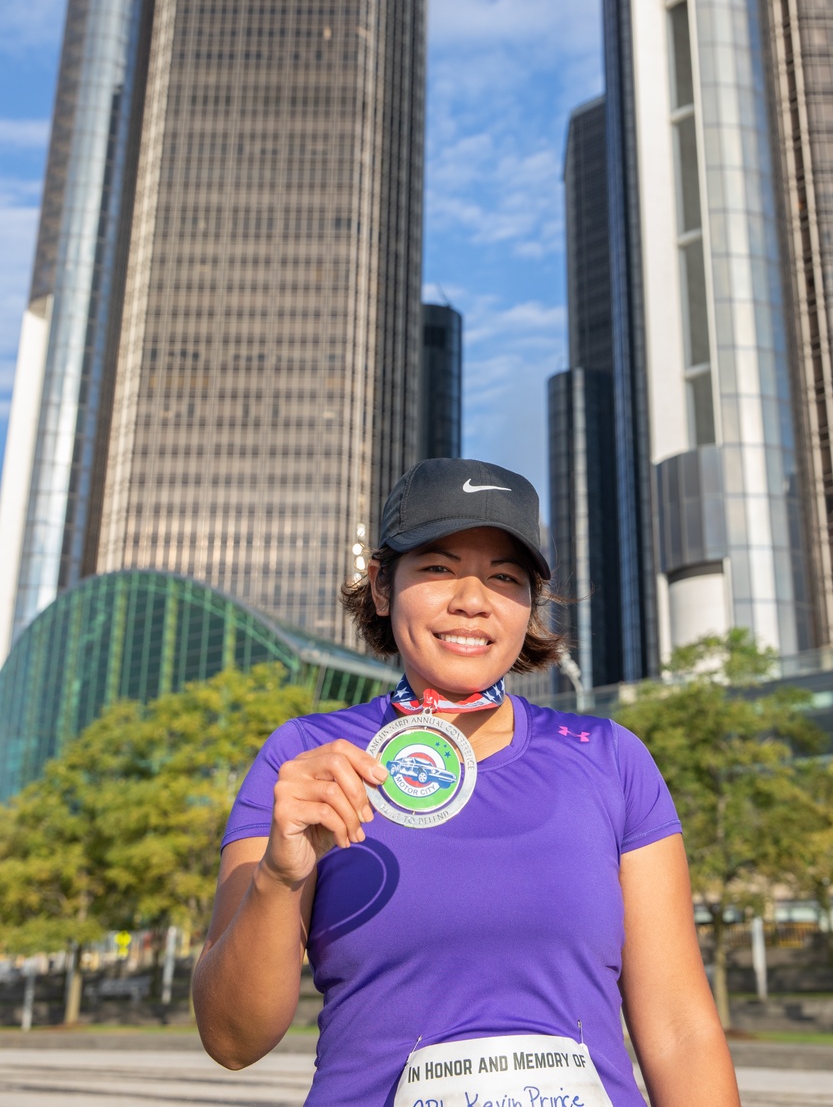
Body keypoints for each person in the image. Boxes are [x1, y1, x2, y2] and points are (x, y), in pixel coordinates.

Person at [193, 458, 740, 1107]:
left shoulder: (611, 760)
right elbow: (232, 1041)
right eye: (438, 568)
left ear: (529, 603)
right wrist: (279, 879)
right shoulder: (307, 760)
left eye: (504, 577)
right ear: (380, 586)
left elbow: (680, 1031)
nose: (473, 600)